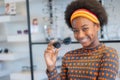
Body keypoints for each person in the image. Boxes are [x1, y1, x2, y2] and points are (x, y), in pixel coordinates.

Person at [44, 0, 119, 80]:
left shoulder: (108, 54)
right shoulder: (69, 57)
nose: (80, 35)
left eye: (85, 28)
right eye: (75, 30)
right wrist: (51, 68)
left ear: (97, 26)